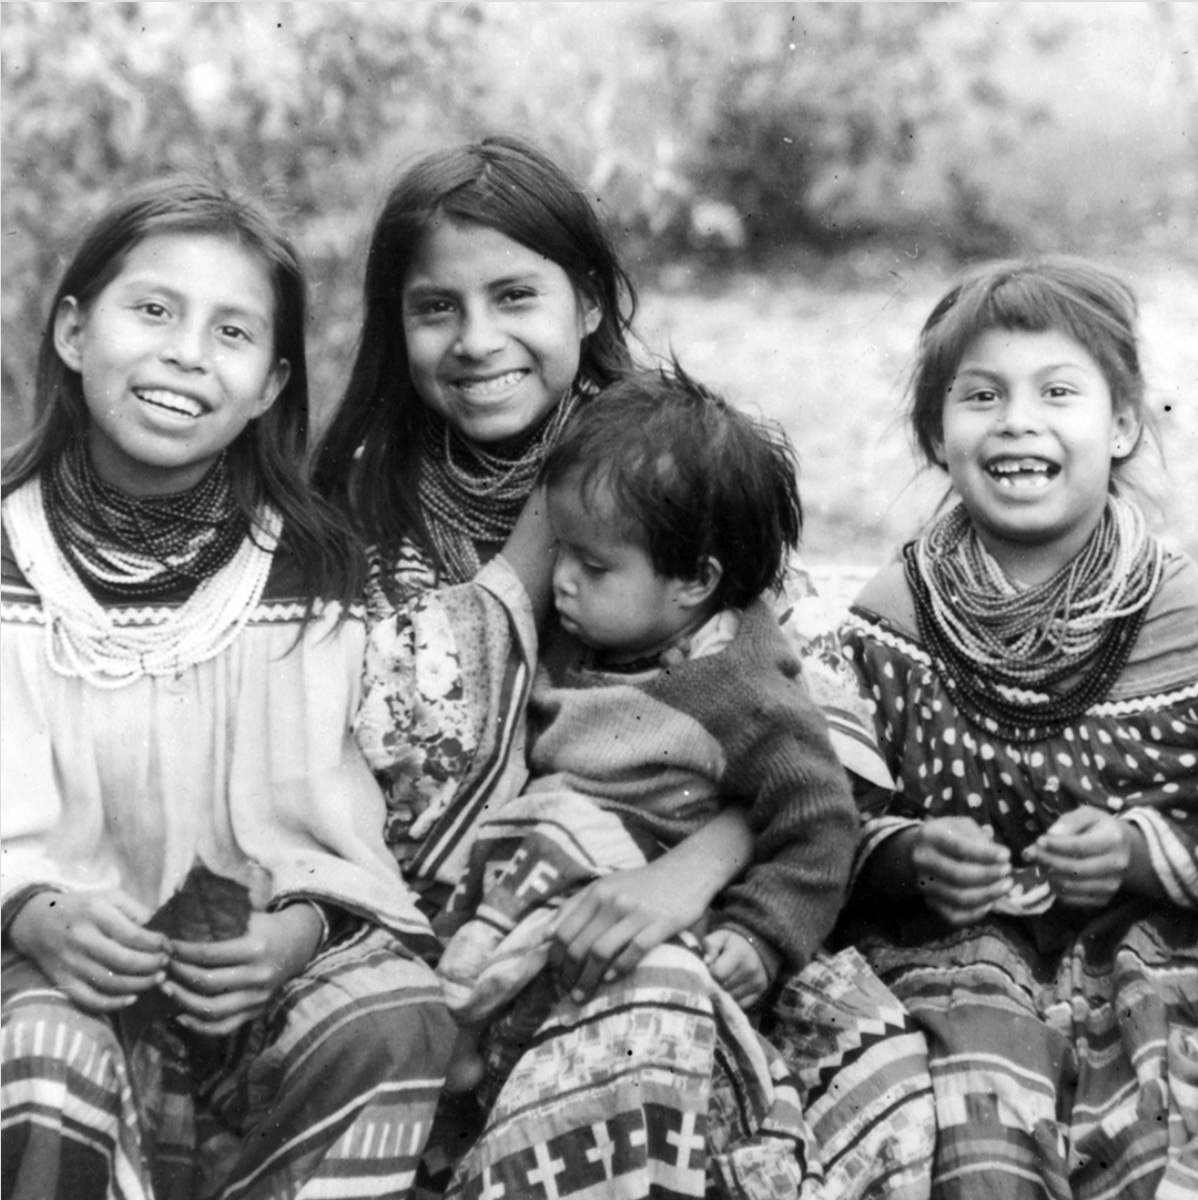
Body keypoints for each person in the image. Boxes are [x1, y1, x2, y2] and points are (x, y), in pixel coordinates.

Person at [313, 135, 934, 1200]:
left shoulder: (665, 465)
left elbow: (807, 726)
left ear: (590, 303)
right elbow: (398, 755)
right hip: (450, 913)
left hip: (700, 886)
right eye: (435, 309)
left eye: (515, 296)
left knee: (864, 1083)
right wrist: (526, 556)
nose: (477, 341)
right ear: (394, 323)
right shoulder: (359, 510)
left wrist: (687, 872)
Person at [0, 177, 455, 1200]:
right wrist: (29, 913)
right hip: (35, 968)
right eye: (152, 310)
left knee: (391, 1018)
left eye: (232, 331)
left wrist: (298, 928)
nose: (185, 353)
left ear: (268, 384)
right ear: (74, 329)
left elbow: (342, 828)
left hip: (251, 974)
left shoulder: (318, 572)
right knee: (42, 1049)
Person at [837, 257, 1198, 1199]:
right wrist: (912, 854)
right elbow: (825, 812)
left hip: (1166, 955)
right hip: (958, 961)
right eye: (982, 394)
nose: (1018, 420)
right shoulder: (891, 623)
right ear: (936, 430)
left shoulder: (1187, 618)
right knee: (971, 1141)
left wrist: (1138, 851)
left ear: (1122, 425)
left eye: (1059, 392)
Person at [434, 364, 859, 1094]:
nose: (561, 577)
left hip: (634, 896)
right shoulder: (607, 630)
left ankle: (468, 1024)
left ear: (695, 581)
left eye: (593, 565)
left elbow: (822, 818)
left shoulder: (739, 688)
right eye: (560, 550)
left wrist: (762, 935)